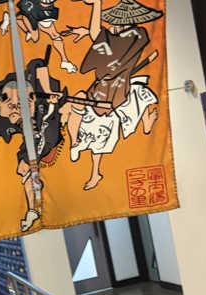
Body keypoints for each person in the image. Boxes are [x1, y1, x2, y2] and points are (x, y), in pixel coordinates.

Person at [60, 0, 161, 190]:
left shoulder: (134, 37)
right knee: (82, 113)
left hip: (113, 94)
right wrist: (89, 30)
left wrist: (96, 5)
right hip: (102, 90)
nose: (113, 27)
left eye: (116, 24)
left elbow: (98, 35)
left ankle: (93, 171)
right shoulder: (129, 39)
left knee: (101, 136)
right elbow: (100, 37)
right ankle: (76, 145)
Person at [0, 55, 64, 232]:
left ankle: (35, 206)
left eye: (24, 105)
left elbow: (39, 64)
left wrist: (49, 92)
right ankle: (33, 210)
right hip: (30, 133)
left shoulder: (37, 99)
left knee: (26, 163)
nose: (18, 111)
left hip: (45, 126)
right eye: (13, 107)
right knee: (23, 168)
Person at [1, 0, 77, 73]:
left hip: (45, 12)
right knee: (35, 37)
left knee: (55, 35)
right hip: (32, 13)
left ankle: (65, 61)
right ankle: (11, 20)